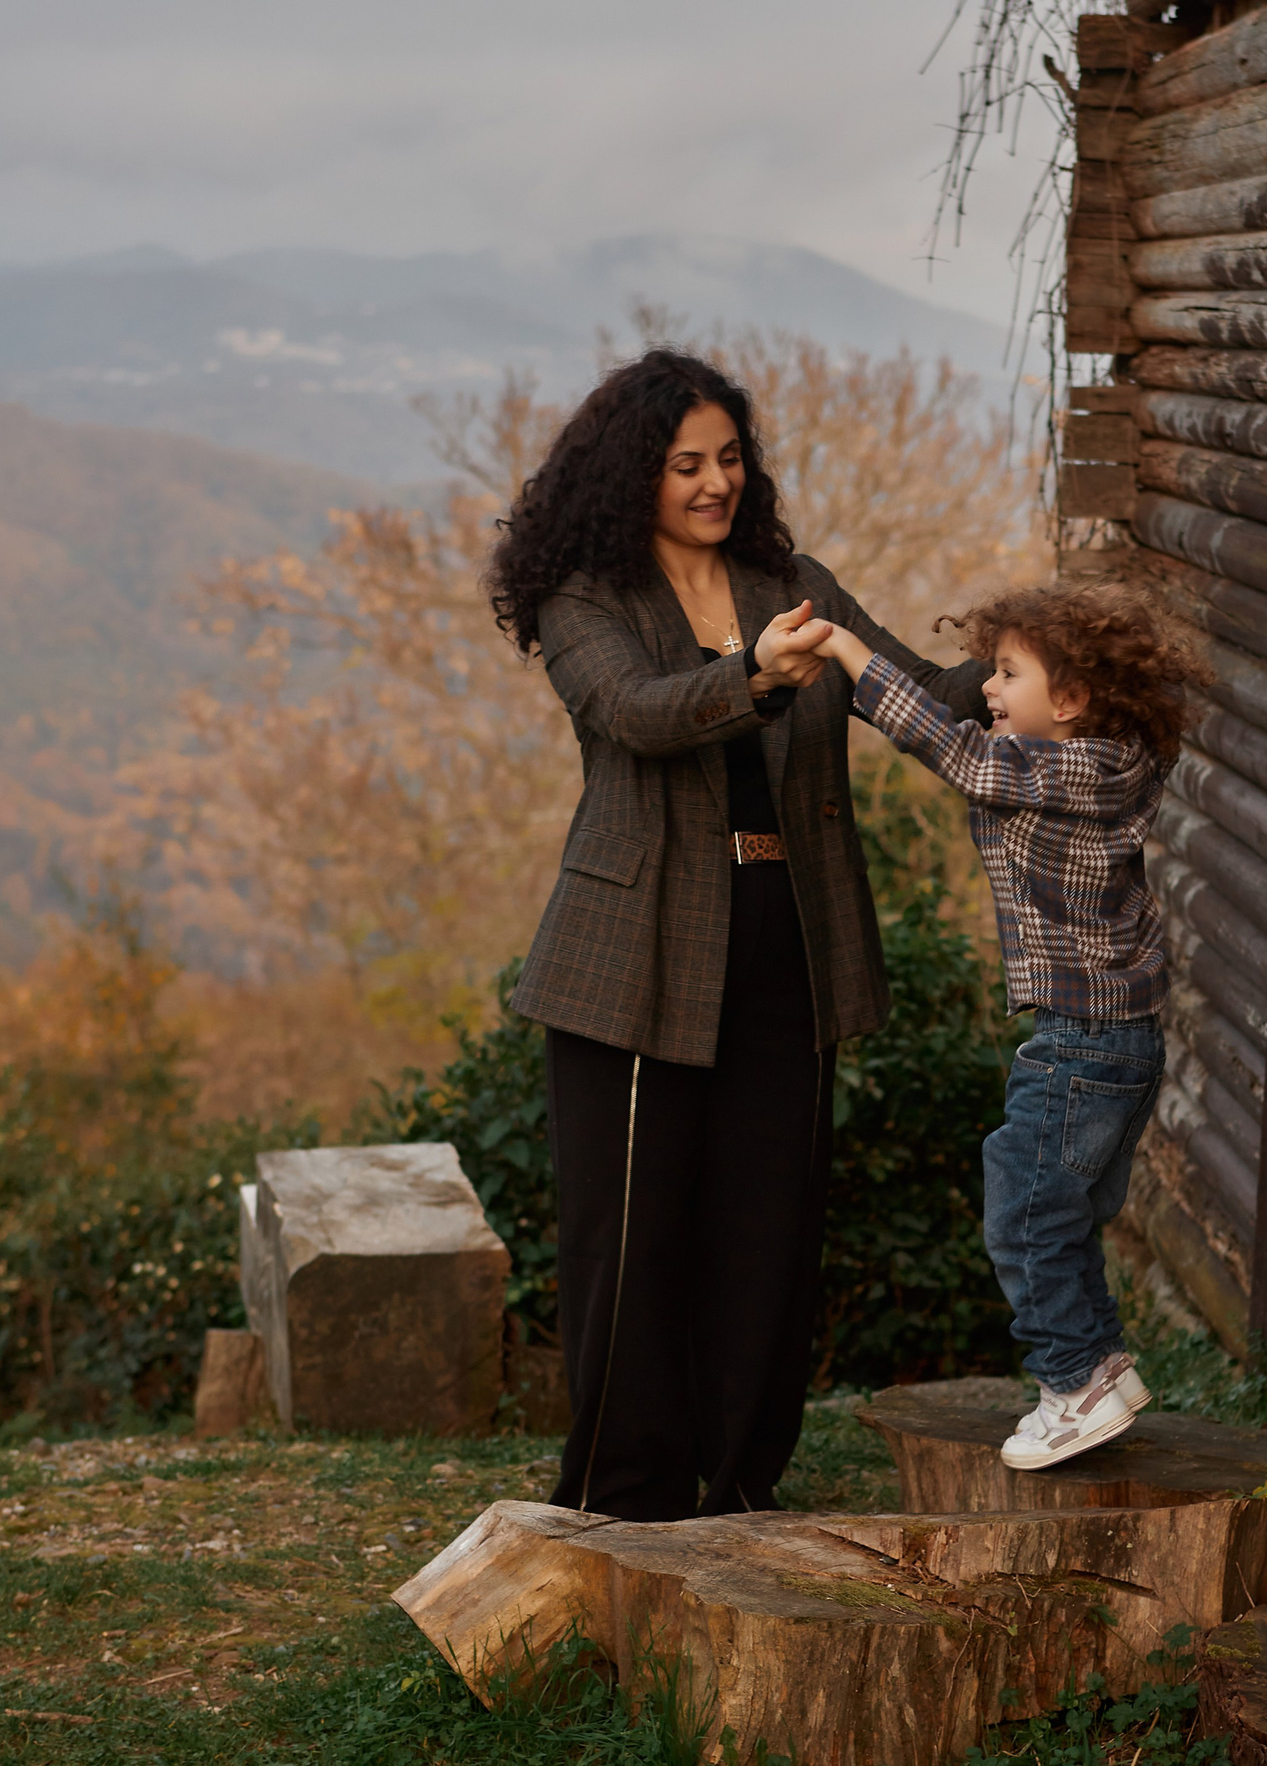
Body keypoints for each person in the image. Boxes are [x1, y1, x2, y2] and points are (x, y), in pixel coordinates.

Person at [484, 348, 991, 1521]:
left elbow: (910, 691)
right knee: (634, 1244)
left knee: (769, 1236)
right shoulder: (586, 598)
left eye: (728, 458)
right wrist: (754, 680)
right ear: (631, 475)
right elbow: (633, 713)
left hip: (790, 945)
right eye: (684, 464)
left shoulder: (790, 578)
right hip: (634, 957)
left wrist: (1041, 668)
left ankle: (741, 1490)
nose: (715, 481)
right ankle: (619, 1499)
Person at [810, 580, 1213, 1468]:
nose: (987, 688)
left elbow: (950, 751)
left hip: (1084, 1038)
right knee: (1059, 1206)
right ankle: (1102, 1363)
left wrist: (848, 654)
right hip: (1113, 1035)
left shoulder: (1072, 766)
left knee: (1025, 1208)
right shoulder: (1109, 758)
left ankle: (1072, 1382)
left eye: (1006, 672)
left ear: (1068, 701)